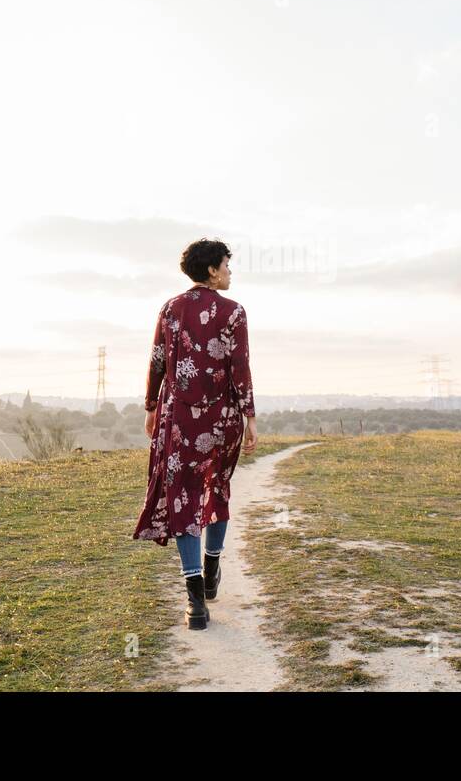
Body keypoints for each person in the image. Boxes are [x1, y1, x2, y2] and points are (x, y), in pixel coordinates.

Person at [132, 238, 257, 629]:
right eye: (227, 265)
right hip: (221, 418)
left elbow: (157, 362)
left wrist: (152, 408)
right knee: (215, 488)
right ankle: (212, 567)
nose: (230, 272)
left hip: (177, 418)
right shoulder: (234, 312)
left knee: (183, 497)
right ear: (212, 271)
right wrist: (250, 417)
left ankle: (195, 603)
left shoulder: (170, 309)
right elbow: (240, 369)